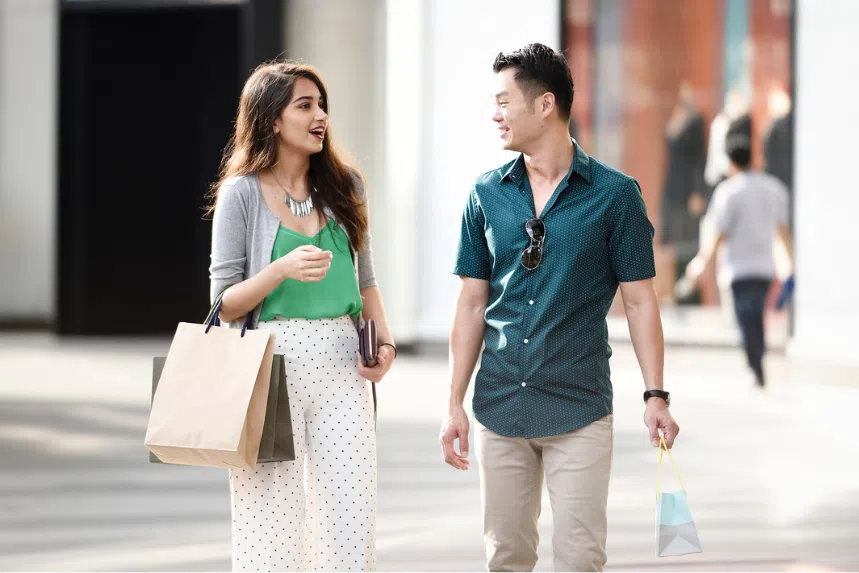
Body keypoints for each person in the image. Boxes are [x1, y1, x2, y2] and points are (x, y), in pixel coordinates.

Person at [439, 43, 680, 572]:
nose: (494, 114)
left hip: (579, 408)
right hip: (500, 407)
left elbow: (639, 301)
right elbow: (472, 301)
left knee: (579, 558)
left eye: (504, 102)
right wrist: (454, 403)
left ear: (545, 105)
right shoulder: (485, 194)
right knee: (505, 556)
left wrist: (656, 395)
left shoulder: (616, 196)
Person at [208, 61, 396, 572]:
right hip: (268, 368)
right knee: (270, 520)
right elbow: (223, 303)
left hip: (343, 366)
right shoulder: (241, 194)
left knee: (350, 519)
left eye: (322, 105)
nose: (320, 116)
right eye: (305, 105)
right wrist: (280, 269)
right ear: (271, 119)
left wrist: (383, 345)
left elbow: (367, 282)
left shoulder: (345, 187)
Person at [686, 135, 793, 387]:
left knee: (745, 317)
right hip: (764, 266)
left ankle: (754, 365)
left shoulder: (728, 192)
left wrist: (703, 262)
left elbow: (717, 233)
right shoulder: (773, 188)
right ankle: (757, 364)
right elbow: (783, 231)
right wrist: (789, 261)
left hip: (737, 267)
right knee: (755, 315)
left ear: (731, 163)